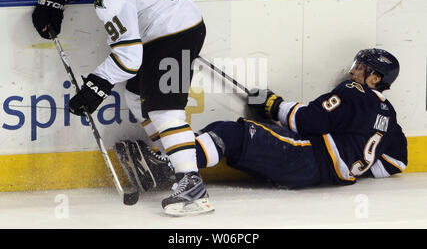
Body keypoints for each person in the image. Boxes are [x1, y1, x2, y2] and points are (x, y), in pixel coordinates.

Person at [31, 0, 214, 216]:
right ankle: (169, 161)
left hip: (178, 33)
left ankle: (192, 185)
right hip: (166, 25)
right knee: (136, 96)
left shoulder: (112, 0)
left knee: (165, 110)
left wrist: (96, 85)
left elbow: (129, 59)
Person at [138, 48, 408, 190]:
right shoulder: (389, 116)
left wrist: (273, 104)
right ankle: (168, 157)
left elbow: (308, 122)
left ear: (375, 79)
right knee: (223, 133)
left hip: (308, 159)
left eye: (362, 68)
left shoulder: (354, 91)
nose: (354, 72)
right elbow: (396, 162)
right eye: (356, 66)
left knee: (231, 135)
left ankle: (167, 170)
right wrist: (352, 166)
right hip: (315, 171)